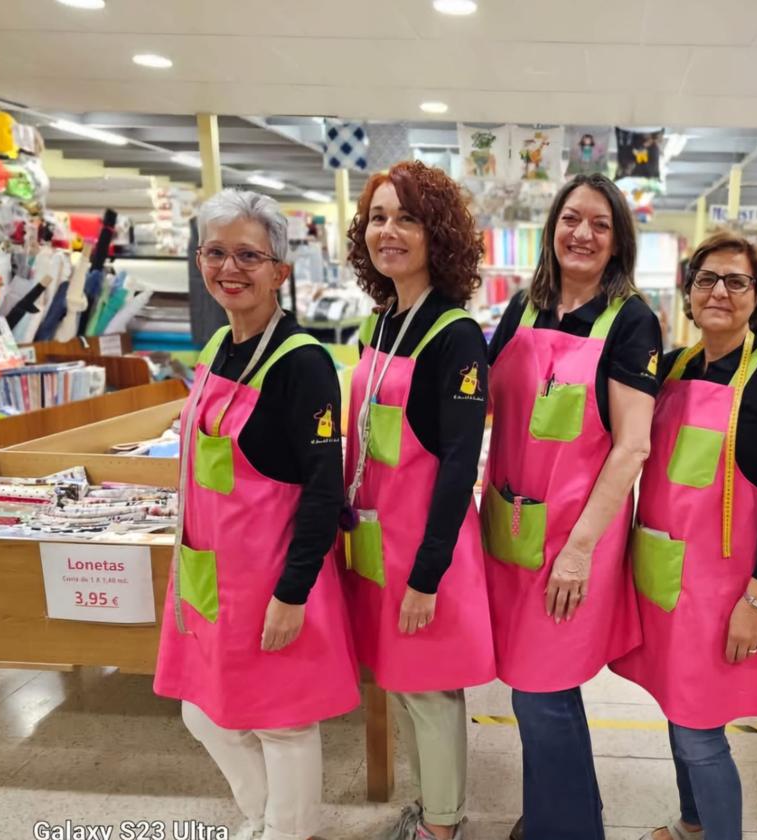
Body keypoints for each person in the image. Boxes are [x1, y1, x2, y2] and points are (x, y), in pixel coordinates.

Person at [154, 189, 358, 840]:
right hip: (211, 574)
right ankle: (264, 817)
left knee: (284, 723)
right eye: (215, 253)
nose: (229, 269)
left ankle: (285, 830)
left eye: (248, 254)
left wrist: (292, 593)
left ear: (280, 271)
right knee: (202, 711)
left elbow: (325, 487)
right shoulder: (218, 346)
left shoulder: (303, 364)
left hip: (273, 577)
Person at [612, 232, 757, 840]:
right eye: (706, 280)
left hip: (724, 587)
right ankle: (691, 825)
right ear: (688, 292)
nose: (719, 293)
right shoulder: (675, 365)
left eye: (737, 281)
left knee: (701, 732)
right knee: (678, 712)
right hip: (662, 574)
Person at [483, 173, 661, 840]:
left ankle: (569, 829)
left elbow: (631, 447)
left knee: (542, 690)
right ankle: (561, 818)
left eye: (599, 223)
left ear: (619, 240)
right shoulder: (524, 306)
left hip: (573, 537)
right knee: (535, 694)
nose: (581, 234)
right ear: (551, 227)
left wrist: (580, 550)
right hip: (513, 524)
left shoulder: (632, 319)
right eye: (570, 219)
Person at [343, 161, 496, 840]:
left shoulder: (454, 335)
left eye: (406, 217)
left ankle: (443, 825)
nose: (389, 231)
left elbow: (459, 464)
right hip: (381, 540)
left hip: (427, 547)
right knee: (399, 683)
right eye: (378, 217)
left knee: (430, 690)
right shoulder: (381, 324)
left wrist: (427, 575)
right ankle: (430, 804)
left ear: (437, 233)